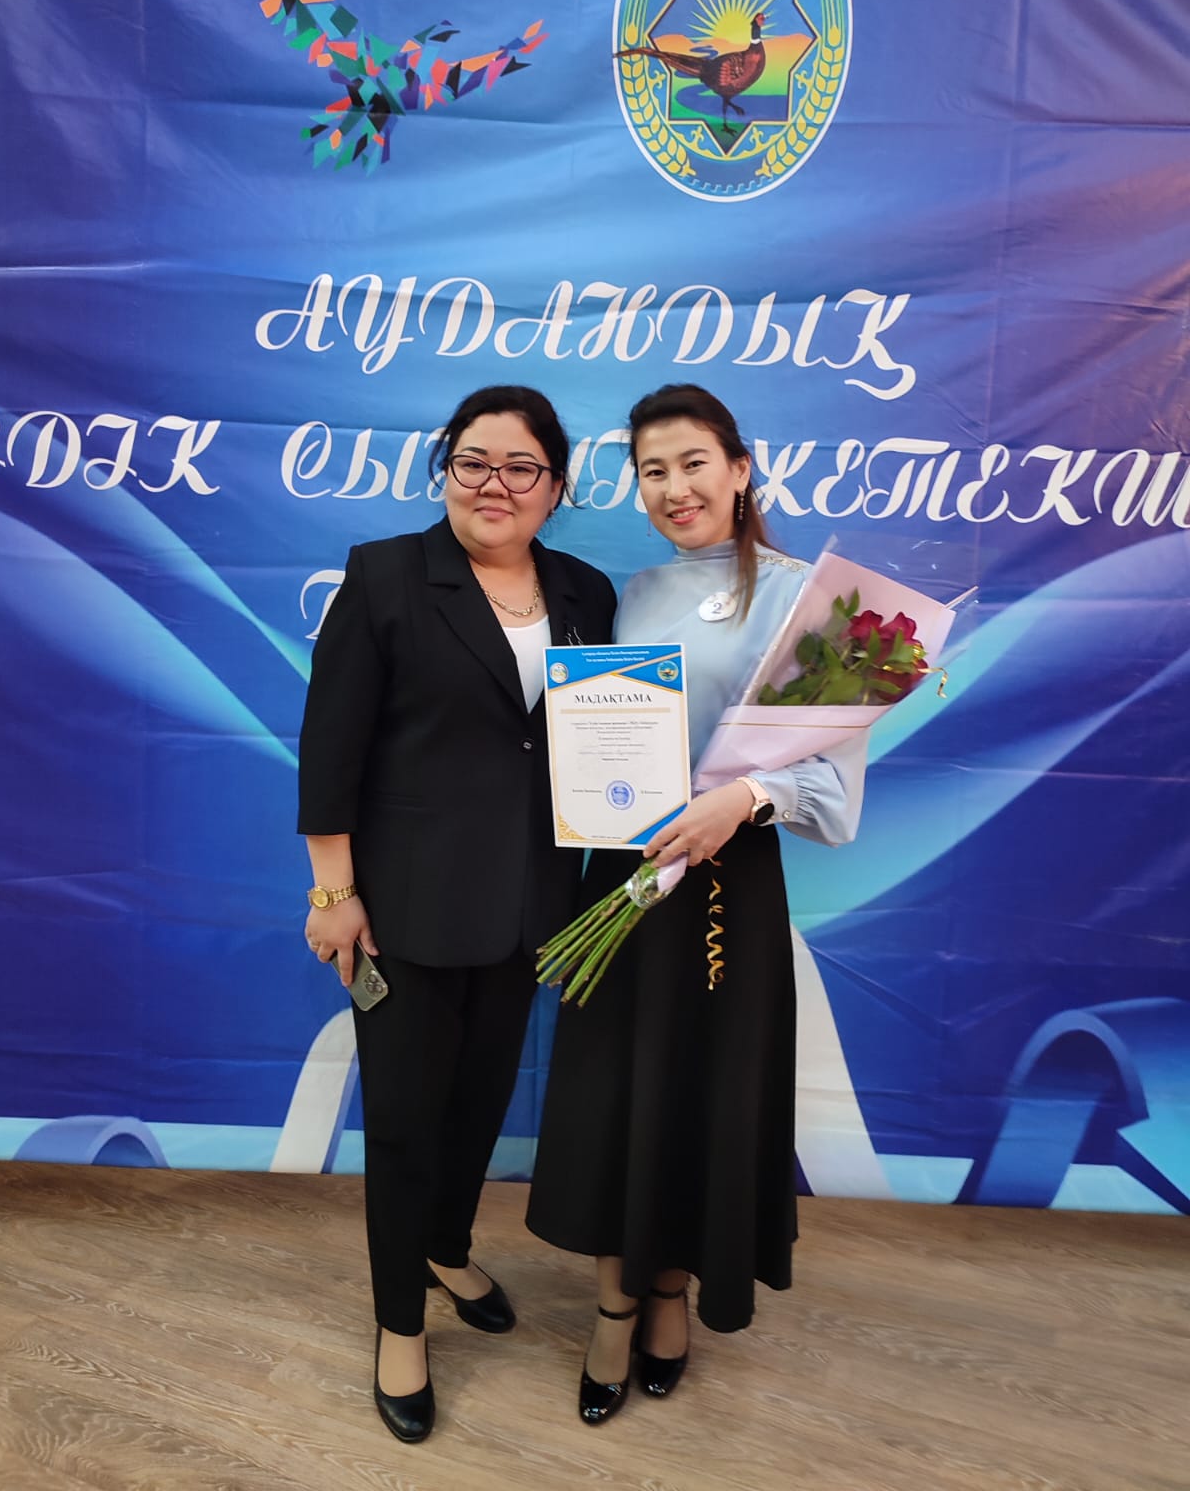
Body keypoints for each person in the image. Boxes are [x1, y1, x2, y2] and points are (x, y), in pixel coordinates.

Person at [526, 383, 867, 1425]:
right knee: (613, 1098)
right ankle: (612, 1308)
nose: (674, 488)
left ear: (741, 469)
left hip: (728, 887)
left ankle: (670, 1294)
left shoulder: (818, 605)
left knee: (698, 1096)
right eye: (652, 470)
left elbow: (833, 797)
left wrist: (745, 795)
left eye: (693, 463)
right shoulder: (630, 594)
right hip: (624, 878)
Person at [297, 385, 615, 1444]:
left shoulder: (585, 592)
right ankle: (400, 1326)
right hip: (403, 911)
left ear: (556, 487)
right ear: (446, 471)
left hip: (528, 905)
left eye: (522, 467)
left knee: (479, 1105)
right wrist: (334, 894)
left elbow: (597, 743)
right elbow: (330, 748)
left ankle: (445, 1246)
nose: (495, 484)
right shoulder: (387, 574)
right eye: (474, 461)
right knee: (402, 1122)